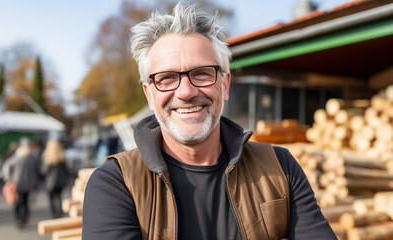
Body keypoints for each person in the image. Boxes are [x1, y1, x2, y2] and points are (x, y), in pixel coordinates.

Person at [82, 3, 336, 240]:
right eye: (167, 78)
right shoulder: (116, 183)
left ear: (224, 85)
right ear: (149, 94)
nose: (185, 92)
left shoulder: (280, 168)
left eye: (201, 73)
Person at [2, 137, 41, 229]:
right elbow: (38, 171)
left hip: (18, 183)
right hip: (27, 184)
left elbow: (6, 166)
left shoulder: (18, 156)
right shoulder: (33, 156)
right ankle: (24, 218)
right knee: (25, 202)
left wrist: (8, 178)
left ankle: (19, 219)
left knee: (19, 203)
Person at [40, 138, 69, 218]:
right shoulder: (62, 156)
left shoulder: (47, 157)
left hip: (50, 182)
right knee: (59, 198)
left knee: (52, 199)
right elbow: (67, 170)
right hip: (61, 182)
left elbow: (43, 171)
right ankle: (60, 213)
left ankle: (55, 215)